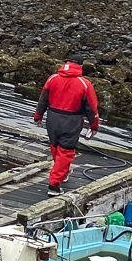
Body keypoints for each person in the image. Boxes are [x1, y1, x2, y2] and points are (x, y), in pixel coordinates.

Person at [35, 54, 99, 193]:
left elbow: (43, 100)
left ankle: (63, 174)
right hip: (71, 121)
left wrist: (38, 116)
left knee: (55, 146)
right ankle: (54, 184)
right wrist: (94, 125)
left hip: (52, 118)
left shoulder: (52, 78)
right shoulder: (85, 84)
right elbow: (91, 108)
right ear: (81, 66)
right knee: (66, 151)